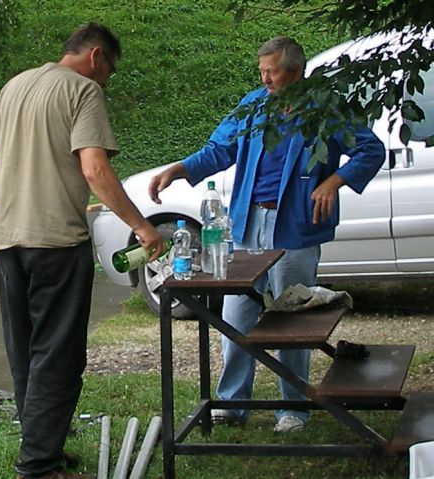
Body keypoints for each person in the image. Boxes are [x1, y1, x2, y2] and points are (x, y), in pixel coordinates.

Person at [148, 36, 385, 433]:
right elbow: (219, 150)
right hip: (246, 224)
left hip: (295, 225)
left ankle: (293, 409)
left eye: (271, 72)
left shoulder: (325, 106)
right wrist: (180, 170)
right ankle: (232, 402)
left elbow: (370, 149)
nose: (265, 79)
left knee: (292, 318)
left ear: (296, 71)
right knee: (236, 313)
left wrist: (335, 182)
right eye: (261, 72)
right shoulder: (255, 104)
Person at [0, 23, 164, 479]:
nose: (107, 81)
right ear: (97, 57)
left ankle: (43, 446)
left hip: (10, 242)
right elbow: (94, 169)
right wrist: (141, 226)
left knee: (27, 350)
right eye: (110, 71)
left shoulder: (17, 84)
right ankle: (38, 467)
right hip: (56, 242)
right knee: (57, 354)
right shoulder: (83, 92)